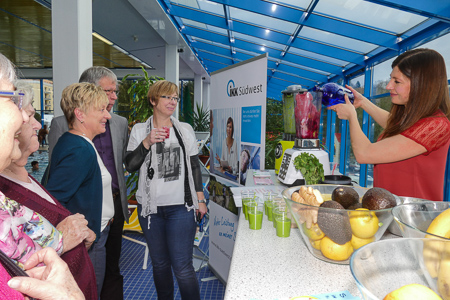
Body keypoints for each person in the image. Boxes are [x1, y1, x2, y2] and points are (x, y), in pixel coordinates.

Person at [0, 81, 98, 299]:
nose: (35, 124)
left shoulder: (26, 178)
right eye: (28, 115)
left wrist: (78, 232)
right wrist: (61, 239)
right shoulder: (7, 193)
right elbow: (15, 270)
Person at [47, 66, 129, 300]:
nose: (108, 114)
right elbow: (54, 198)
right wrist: (82, 231)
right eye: (101, 109)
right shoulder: (80, 149)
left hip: (96, 233)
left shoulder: (80, 141)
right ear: (81, 114)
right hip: (88, 239)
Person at [331, 48, 450, 201]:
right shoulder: (416, 119)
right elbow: (394, 125)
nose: (388, 86)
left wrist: (352, 117)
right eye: (391, 79)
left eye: (397, 81)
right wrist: (363, 103)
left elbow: (364, 153)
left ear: (421, 85)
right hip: (388, 212)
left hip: (410, 219)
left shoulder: (437, 126)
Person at [125, 80, 207, 299]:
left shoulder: (185, 130)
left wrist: (200, 199)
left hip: (181, 208)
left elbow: (194, 166)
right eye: (167, 97)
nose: (173, 102)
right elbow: (130, 165)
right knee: (160, 264)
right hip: (151, 210)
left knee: (182, 266)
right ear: (153, 100)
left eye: (175, 98)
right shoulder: (140, 130)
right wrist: (146, 142)